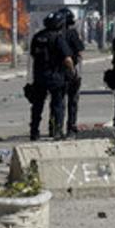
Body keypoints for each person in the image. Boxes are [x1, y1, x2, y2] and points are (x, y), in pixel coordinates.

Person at [27, 11, 74, 141]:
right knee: (57, 105)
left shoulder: (37, 37)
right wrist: (72, 71)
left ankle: (34, 131)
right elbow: (67, 59)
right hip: (55, 76)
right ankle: (56, 131)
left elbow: (33, 54)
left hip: (39, 76)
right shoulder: (58, 38)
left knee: (37, 106)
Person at [59, 7, 85, 135]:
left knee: (58, 102)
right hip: (70, 71)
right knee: (72, 101)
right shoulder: (72, 33)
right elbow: (80, 52)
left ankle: (56, 129)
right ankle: (71, 127)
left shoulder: (53, 34)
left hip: (56, 72)